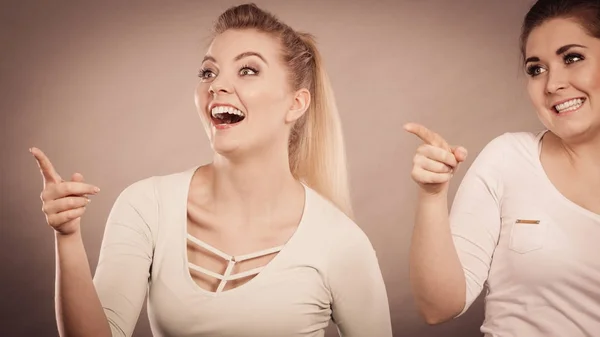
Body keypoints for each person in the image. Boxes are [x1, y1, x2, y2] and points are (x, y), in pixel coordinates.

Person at [30, 3, 392, 337]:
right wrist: (67, 237)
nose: (216, 84)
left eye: (247, 70)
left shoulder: (342, 243)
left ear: (296, 103)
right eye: (208, 72)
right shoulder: (146, 205)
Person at [405, 0, 600, 336]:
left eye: (572, 58)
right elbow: (438, 307)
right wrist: (433, 195)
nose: (552, 84)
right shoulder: (508, 158)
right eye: (536, 69)